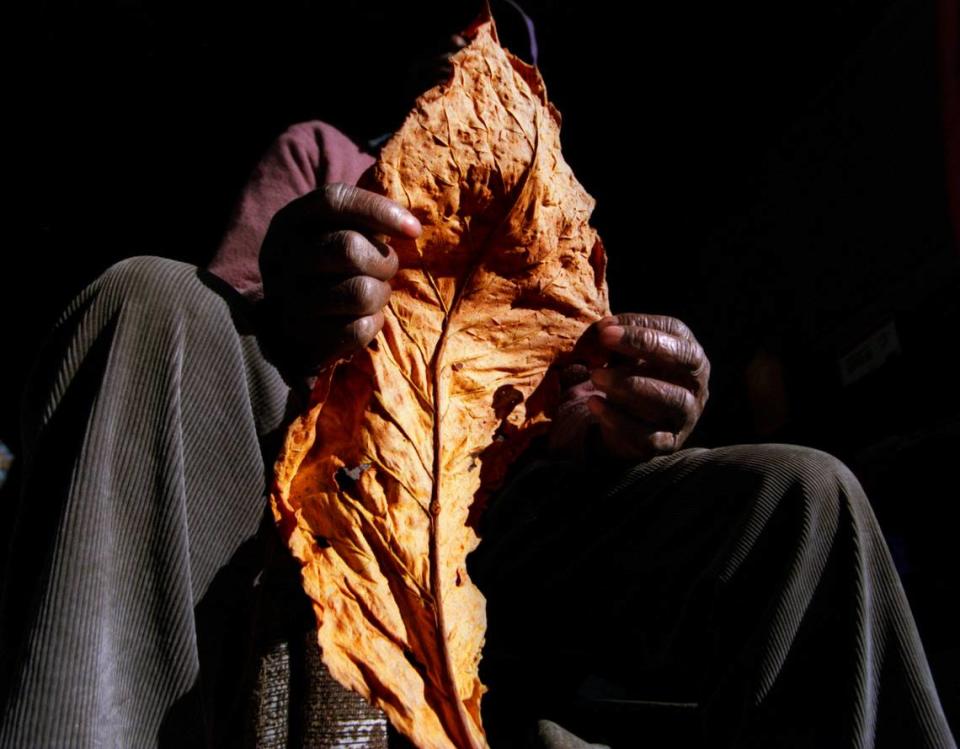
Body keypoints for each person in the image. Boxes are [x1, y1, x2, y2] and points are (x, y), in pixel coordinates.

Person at [1, 8, 956, 749]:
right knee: (150, 298)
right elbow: (217, 347)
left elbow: (579, 411)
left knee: (803, 490)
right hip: (338, 486)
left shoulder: (558, 218)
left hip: (507, 535)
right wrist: (292, 306)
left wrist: (641, 409)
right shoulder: (325, 154)